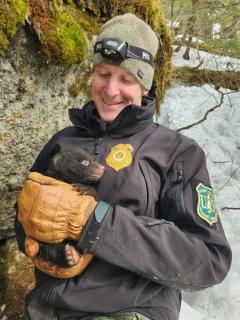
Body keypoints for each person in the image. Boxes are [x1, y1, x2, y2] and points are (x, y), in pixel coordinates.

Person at [15, 13, 232, 320]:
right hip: (47, 310)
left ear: (146, 85)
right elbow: (23, 214)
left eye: (127, 79)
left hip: (130, 311)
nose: (111, 90)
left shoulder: (177, 153)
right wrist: (33, 242)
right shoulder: (63, 140)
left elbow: (209, 262)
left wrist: (95, 222)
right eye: (103, 73)